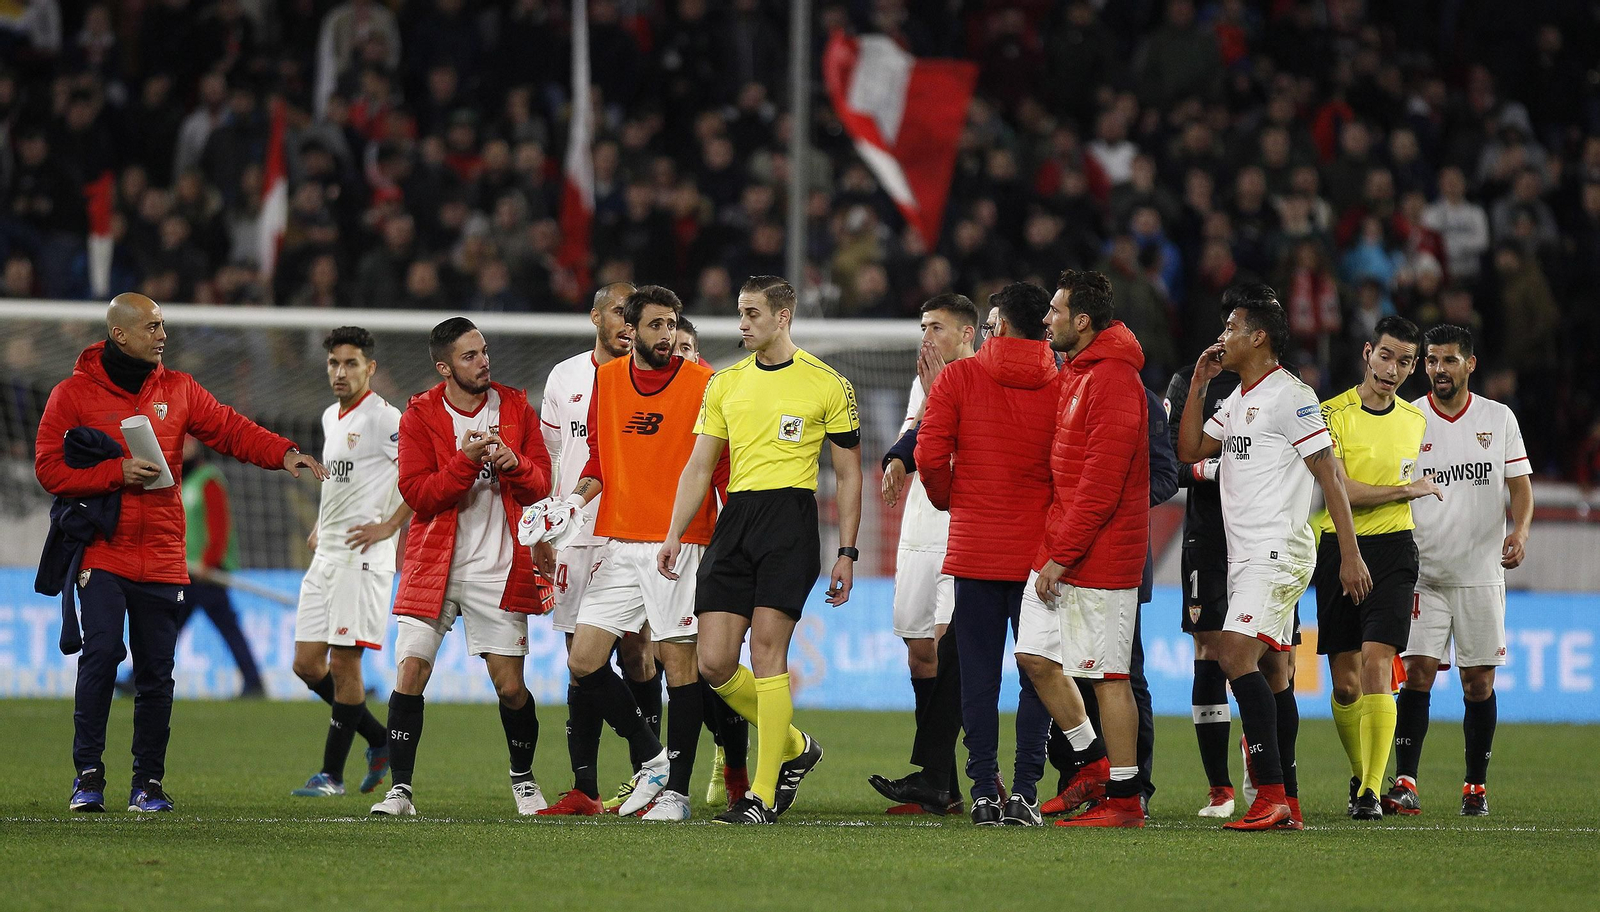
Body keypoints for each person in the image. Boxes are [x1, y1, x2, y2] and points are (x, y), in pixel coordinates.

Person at [39, 293, 326, 814]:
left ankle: (147, 783)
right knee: (101, 656)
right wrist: (115, 472)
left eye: (163, 325)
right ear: (120, 334)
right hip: (104, 550)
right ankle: (88, 776)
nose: (163, 335)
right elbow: (49, 469)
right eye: (152, 326)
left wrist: (283, 453)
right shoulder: (72, 394)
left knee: (156, 674)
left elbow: (230, 428)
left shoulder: (179, 388)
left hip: (164, 554)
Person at [657, 275, 862, 825]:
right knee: (714, 662)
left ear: (782, 316)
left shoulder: (828, 383)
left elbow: (848, 473)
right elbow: (699, 466)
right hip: (736, 520)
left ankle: (763, 796)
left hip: (790, 523)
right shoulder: (725, 383)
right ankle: (795, 746)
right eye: (740, 313)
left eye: (752, 313)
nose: (742, 323)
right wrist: (675, 532)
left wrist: (847, 550)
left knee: (768, 655)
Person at [528, 285, 725, 821]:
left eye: (672, 324)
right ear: (631, 330)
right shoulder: (608, 381)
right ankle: (653, 758)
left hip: (679, 543)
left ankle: (677, 794)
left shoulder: (704, 384)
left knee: (678, 665)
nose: (667, 335)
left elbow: (719, 467)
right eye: (656, 325)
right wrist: (571, 504)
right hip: (618, 541)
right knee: (584, 660)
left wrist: (722, 537)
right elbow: (598, 458)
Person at [1177, 287, 1371, 830]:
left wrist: (1350, 554)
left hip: (1277, 550)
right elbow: (1190, 450)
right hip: (1246, 556)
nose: (1222, 337)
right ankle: (1290, 799)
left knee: (1233, 654)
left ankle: (1269, 796)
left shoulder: (1291, 395)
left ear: (1258, 336)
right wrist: (1199, 385)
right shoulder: (1238, 398)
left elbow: (1329, 474)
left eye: (1231, 328)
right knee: (1273, 672)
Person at [369, 318, 554, 817]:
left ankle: (523, 780)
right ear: (444, 368)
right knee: (411, 670)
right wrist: (465, 461)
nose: (483, 362)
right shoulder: (420, 416)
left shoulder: (515, 408)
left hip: (499, 567)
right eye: (470, 356)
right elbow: (419, 495)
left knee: (510, 688)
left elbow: (542, 484)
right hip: (434, 565)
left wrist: (515, 464)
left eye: (484, 351)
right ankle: (400, 791)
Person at [914, 283, 1060, 826]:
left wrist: (951, 499)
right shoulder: (1064, 383)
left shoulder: (958, 378)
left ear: (998, 323)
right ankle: (1024, 792)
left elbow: (930, 456)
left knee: (977, 679)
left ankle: (981, 793)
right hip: (1040, 560)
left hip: (976, 551)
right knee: (1038, 675)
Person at [1015, 269, 1149, 829]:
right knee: (1034, 656)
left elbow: (1101, 485)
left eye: (1055, 310)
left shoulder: (1114, 379)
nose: (1046, 319)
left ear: (1083, 320)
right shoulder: (1078, 371)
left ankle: (1126, 797)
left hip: (1101, 556)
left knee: (1108, 676)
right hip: (1063, 546)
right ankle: (1093, 763)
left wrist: (1061, 556)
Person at [1387, 324, 1533, 817]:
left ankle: (1475, 787)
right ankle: (1406, 781)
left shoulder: (1498, 418)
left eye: (1448, 360)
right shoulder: (1409, 418)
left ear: (1470, 364)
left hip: (1480, 573)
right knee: (1417, 674)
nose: (1438, 369)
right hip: (1424, 572)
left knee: (1478, 683)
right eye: (1431, 360)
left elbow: (1520, 486)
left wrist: (1521, 532)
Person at [867, 301, 1003, 818]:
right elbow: (918, 435)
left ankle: (972, 772)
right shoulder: (922, 381)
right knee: (920, 653)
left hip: (963, 526)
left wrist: (937, 396)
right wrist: (897, 461)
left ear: (967, 332)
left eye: (936, 327)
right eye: (922, 326)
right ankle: (942, 787)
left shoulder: (985, 378)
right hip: (921, 525)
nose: (926, 335)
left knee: (952, 651)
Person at [535, 282, 668, 809]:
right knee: (580, 660)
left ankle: (647, 776)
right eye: (619, 312)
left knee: (638, 652)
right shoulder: (565, 377)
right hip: (574, 538)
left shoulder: (652, 378)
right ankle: (585, 787)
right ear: (596, 317)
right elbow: (551, 459)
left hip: (628, 533)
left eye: (635, 316)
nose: (627, 325)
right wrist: (547, 529)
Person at [1313, 315, 1437, 821]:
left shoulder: (1415, 419)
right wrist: (1406, 490)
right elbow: (1340, 489)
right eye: (1385, 356)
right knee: (1345, 685)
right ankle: (1359, 771)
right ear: (1368, 353)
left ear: (1413, 367)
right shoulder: (1331, 413)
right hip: (1339, 547)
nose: (1392, 369)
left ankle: (1368, 791)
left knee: (1377, 665)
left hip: (1394, 550)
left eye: (1404, 362)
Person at [290, 326, 410, 799]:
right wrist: (322, 524)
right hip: (328, 555)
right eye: (333, 363)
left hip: (362, 558)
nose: (340, 372)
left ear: (370, 368)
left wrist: (389, 526)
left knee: (344, 664)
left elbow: (417, 475)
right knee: (306, 664)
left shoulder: (385, 418)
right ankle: (379, 739)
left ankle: (331, 775)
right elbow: (343, 481)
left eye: (351, 363)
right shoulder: (330, 416)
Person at [1165, 297, 1243, 818]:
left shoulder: (1287, 388)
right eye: (1229, 324)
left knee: (1275, 659)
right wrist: (1210, 470)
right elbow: (1169, 464)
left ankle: (1268, 774)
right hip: (1208, 538)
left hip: (1264, 540)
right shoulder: (1190, 383)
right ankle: (1220, 788)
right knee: (1209, 647)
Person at [175, 435, 266, 699]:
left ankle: (253, 681)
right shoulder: (179, 483)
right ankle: (253, 680)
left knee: (223, 626)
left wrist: (209, 561)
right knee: (169, 625)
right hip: (186, 571)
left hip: (207, 573)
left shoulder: (208, 479)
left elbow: (219, 525)